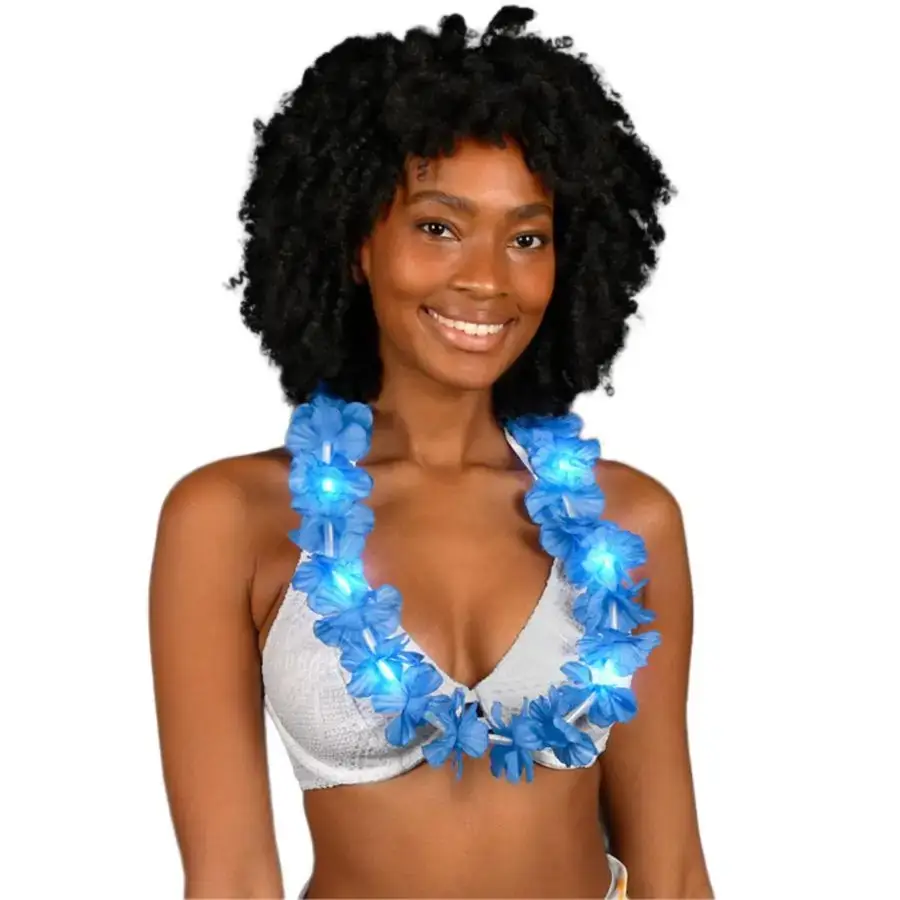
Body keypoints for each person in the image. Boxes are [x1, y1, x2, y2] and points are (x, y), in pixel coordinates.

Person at [149, 6, 714, 898]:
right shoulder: (231, 518)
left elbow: (673, 874)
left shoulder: (629, 521)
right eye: (439, 227)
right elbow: (230, 880)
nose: (486, 277)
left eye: (526, 237)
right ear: (355, 242)